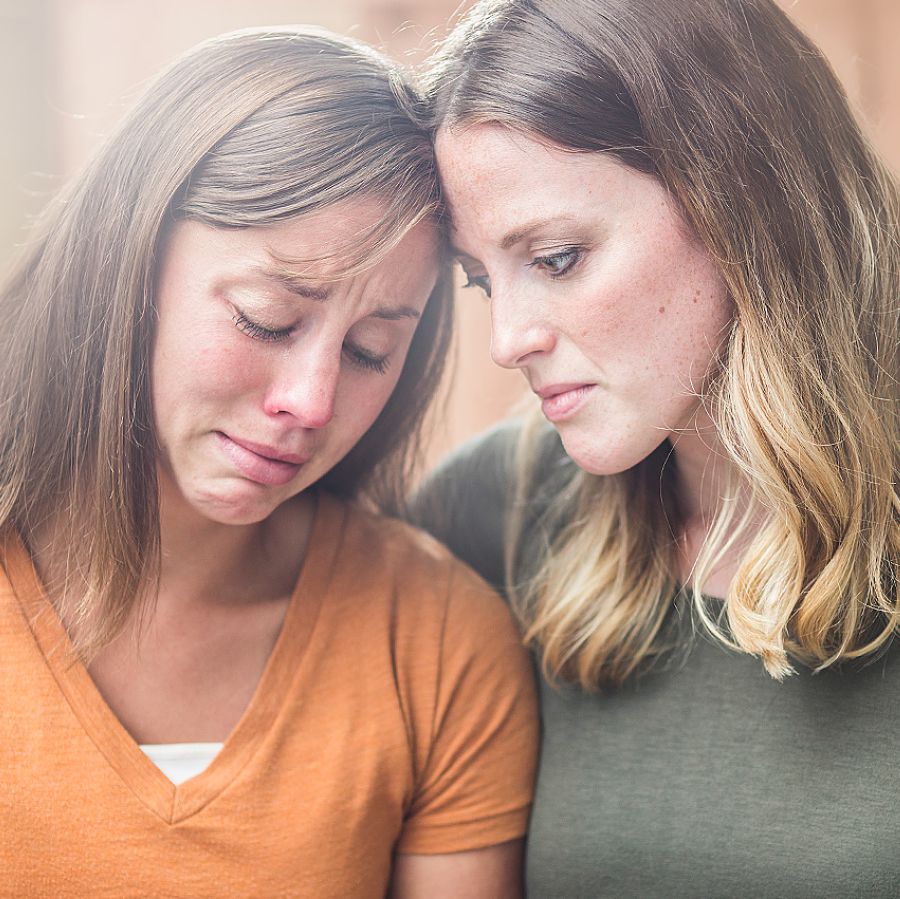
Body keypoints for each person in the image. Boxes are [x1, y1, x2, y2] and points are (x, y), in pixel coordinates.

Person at [0, 27, 538, 898]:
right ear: (128, 261)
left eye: (369, 351)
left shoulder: (434, 641)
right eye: (267, 318)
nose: (313, 401)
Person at [410, 0, 899, 895]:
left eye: (555, 257)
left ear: (744, 201)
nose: (508, 338)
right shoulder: (489, 513)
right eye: (484, 281)